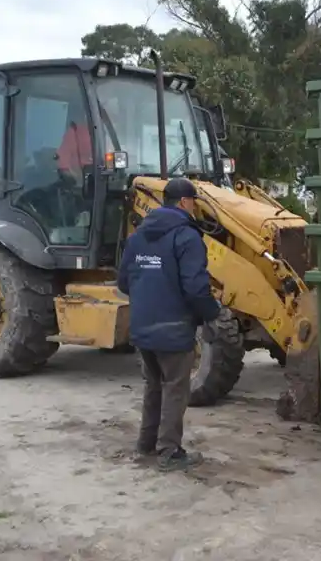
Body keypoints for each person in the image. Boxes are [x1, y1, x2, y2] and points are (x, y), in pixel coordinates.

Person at [117, 177, 221, 471]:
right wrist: (211, 314)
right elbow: (195, 287)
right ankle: (169, 451)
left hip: (141, 327)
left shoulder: (137, 237)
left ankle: (146, 445)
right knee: (176, 387)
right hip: (174, 326)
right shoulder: (187, 238)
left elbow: (124, 282)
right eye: (194, 204)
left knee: (154, 386)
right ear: (186, 203)